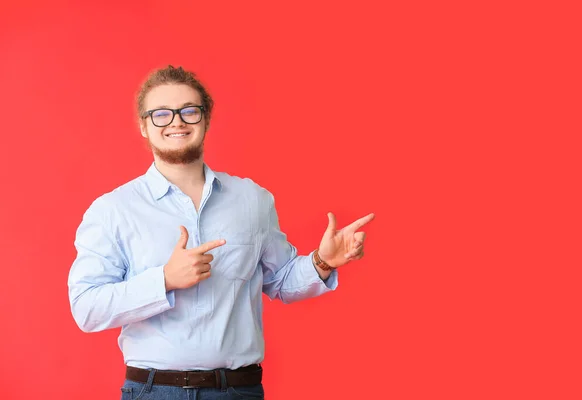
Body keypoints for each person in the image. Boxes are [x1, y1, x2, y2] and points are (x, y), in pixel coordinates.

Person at [68, 65, 375, 400]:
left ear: (206, 119)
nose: (176, 121)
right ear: (144, 126)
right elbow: (86, 308)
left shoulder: (252, 199)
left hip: (238, 391)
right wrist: (165, 280)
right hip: (155, 392)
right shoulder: (113, 209)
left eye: (189, 111)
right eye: (161, 114)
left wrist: (323, 261)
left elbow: (282, 280)